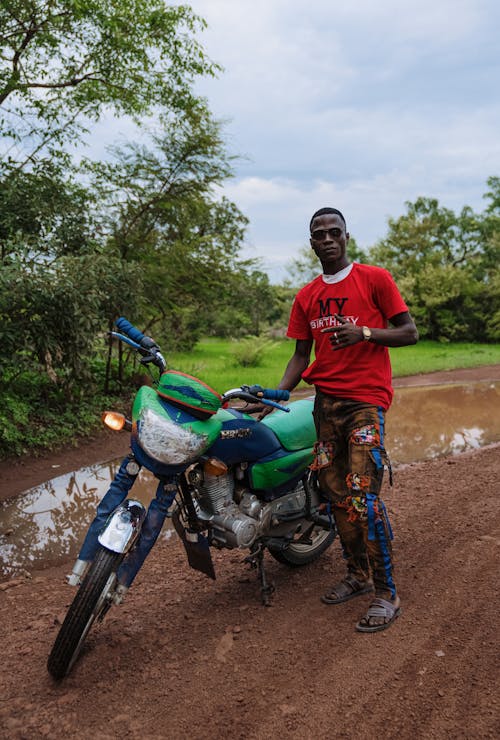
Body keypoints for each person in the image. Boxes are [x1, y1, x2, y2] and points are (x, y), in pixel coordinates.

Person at [264, 207, 418, 632]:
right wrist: (275, 397)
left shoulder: (375, 279)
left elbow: (409, 332)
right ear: (311, 242)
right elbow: (300, 355)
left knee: (363, 498)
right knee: (335, 496)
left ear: (347, 237)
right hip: (324, 405)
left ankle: (387, 594)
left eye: (335, 232)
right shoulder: (307, 295)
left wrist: (365, 333)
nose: (328, 238)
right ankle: (357, 574)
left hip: (365, 404)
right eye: (320, 234)